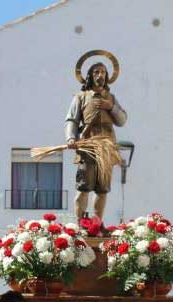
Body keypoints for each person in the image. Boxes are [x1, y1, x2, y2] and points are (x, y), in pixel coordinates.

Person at [65, 58, 127, 217]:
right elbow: (72, 119)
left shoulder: (111, 98)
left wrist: (111, 107)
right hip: (88, 145)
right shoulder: (81, 96)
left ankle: (96, 224)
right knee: (84, 187)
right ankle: (79, 224)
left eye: (103, 72)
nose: (100, 75)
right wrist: (71, 137)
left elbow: (122, 120)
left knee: (102, 189)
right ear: (90, 76)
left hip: (107, 147)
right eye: (96, 72)